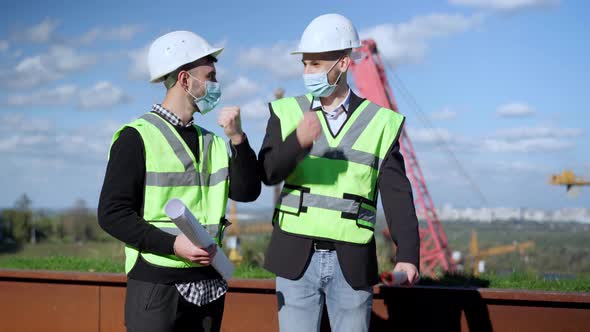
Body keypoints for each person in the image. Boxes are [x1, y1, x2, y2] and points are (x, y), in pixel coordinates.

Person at [258, 14, 420, 331]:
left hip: (353, 262)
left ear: (343, 64)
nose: (307, 73)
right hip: (295, 260)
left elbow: (397, 195)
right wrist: (297, 142)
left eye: (316, 64)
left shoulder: (381, 124)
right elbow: (268, 172)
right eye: (305, 64)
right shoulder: (286, 112)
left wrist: (409, 255)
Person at [98, 30, 260, 332]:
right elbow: (112, 215)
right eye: (210, 76)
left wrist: (238, 138)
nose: (216, 84)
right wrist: (174, 245)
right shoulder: (137, 137)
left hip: (209, 284)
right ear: (185, 80)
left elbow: (247, 192)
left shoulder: (212, 141)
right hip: (158, 285)